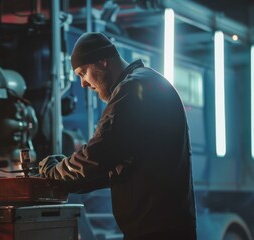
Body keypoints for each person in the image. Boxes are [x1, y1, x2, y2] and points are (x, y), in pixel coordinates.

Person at [39, 32, 197, 240]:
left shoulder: (132, 89)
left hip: (155, 232)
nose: (83, 84)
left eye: (83, 73)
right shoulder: (145, 81)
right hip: (162, 228)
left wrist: (53, 171)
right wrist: (64, 172)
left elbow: (100, 154)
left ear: (103, 62)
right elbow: (114, 167)